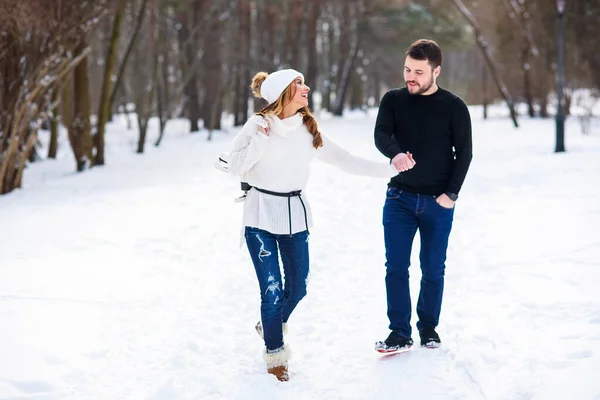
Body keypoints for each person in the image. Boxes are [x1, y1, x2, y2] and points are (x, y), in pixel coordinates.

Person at [221, 68, 413, 381]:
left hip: (295, 215)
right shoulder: (258, 124)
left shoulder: (309, 130)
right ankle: (275, 357)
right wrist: (259, 140)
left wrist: (390, 169)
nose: (307, 88)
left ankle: (270, 323)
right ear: (284, 92)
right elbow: (235, 166)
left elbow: (346, 160)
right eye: (299, 84)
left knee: (297, 288)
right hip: (259, 217)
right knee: (271, 292)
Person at [373, 39, 473, 353]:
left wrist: (451, 194)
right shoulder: (393, 100)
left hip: (437, 203)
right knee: (396, 267)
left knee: (432, 269)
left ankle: (428, 329)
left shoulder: (454, 106)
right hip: (399, 199)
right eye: (407, 69)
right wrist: (395, 154)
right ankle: (399, 332)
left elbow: (465, 153)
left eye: (418, 71)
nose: (410, 76)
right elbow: (381, 134)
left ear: (436, 71)